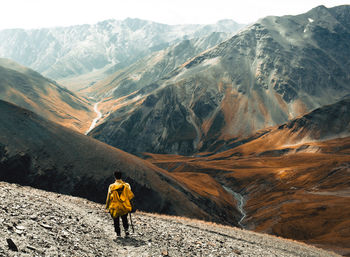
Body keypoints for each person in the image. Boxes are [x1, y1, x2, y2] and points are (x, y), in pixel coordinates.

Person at [105, 170, 134, 238]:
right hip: (124, 205)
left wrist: (107, 206)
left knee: (116, 220)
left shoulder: (111, 186)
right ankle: (126, 230)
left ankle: (118, 234)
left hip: (115, 206)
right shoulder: (127, 185)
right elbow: (130, 196)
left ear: (114, 177)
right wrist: (131, 205)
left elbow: (109, 197)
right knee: (124, 218)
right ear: (121, 176)